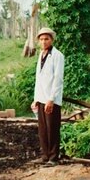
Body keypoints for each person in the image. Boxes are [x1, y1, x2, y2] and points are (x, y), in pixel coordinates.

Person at [31, 27, 64, 166]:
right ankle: (45, 155)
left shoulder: (57, 55)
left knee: (52, 127)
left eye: (47, 39)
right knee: (43, 128)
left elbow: (58, 79)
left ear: (52, 40)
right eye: (41, 39)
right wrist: (36, 99)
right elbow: (39, 79)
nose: (44, 41)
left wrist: (51, 99)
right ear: (38, 41)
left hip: (52, 99)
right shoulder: (41, 55)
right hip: (41, 97)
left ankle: (53, 157)